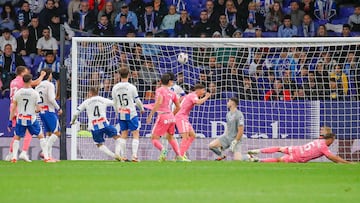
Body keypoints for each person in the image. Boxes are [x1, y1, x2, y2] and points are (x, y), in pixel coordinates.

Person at [7, 74, 53, 163]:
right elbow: (39, 108)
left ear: (23, 81)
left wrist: (10, 120)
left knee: (17, 137)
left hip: (20, 118)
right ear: (31, 81)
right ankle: (47, 158)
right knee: (41, 136)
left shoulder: (18, 93)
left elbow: (13, 108)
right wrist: (35, 111)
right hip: (31, 118)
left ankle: (14, 157)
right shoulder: (34, 93)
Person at [70, 87, 122, 161]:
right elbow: (114, 103)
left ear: (90, 93)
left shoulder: (86, 102)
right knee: (118, 137)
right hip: (105, 124)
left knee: (99, 144)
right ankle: (117, 153)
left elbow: (75, 114)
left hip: (94, 127)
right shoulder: (102, 99)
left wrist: (72, 121)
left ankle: (114, 156)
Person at [145, 73, 185, 162]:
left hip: (163, 115)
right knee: (171, 137)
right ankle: (179, 156)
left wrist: (151, 114)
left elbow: (159, 102)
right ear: (170, 82)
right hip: (171, 116)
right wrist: (172, 115)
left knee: (154, 138)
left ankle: (163, 150)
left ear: (160, 81)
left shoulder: (160, 90)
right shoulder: (172, 93)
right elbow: (179, 107)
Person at [248, 132, 351, 164]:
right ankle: (258, 160)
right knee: (279, 160)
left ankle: (257, 151)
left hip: (297, 148)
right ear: (330, 139)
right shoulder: (323, 146)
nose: (333, 142)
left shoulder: (319, 140)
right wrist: (347, 163)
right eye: (333, 140)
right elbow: (333, 158)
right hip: (299, 157)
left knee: (279, 148)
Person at [112, 67, 145, 162]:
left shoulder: (115, 87)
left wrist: (116, 112)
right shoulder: (132, 87)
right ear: (129, 75)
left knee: (124, 134)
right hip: (131, 113)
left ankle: (124, 156)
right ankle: (134, 156)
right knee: (135, 133)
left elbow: (114, 102)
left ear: (119, 75)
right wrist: (141, 109)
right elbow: (137, 100)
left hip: (121, 113)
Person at [176, 84, 211, 161]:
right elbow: (198, 102)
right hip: (181, 117)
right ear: (198, 90)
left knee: (192, 135)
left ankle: (182, 153)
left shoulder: (190, 95)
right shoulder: (193, 95)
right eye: (203, 90)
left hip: (184, 117)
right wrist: (206, 97)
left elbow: (180, 100)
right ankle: (180, 156)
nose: (204, 92)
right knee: (185, 137)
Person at [35, 68, 62, 161]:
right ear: (49, 75)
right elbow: (51, 98)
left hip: (41, 112)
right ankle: (45, 151)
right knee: (57, 132)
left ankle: (48, 156)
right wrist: (58, 108)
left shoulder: (38, 86)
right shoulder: (49, 85)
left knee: (49, 133)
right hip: (49, 111)